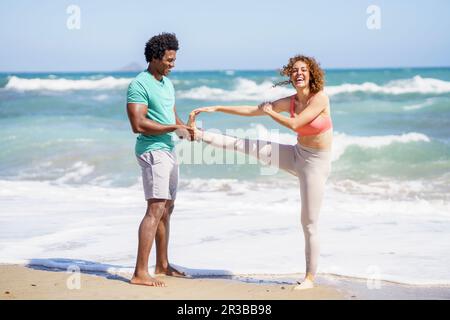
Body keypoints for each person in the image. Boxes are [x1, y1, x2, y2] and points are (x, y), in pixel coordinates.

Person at [189, 55, 333, 290]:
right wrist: (217, 107)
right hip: (297, 154)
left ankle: (309, 278)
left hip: (316, 165)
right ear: (290, 76)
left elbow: (296, 125)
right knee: (247, 145)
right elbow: (252, 110)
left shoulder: (320, 98)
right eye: (295, 70)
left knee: (308, 222)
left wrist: (271, 112)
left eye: (304, 70)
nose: (299, 73)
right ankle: (196, 134)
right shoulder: (291, 101)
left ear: (311, 74)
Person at [126, 32, 194, 287]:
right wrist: (171, 128)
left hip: (168, 148)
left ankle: (162, 265)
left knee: (166, 209)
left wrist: (184, 129)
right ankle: (139, 273)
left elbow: (171, 116)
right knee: (155, 209)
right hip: (151, 149)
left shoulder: (167, 83)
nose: (172, 64)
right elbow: (138, 123)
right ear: (155, 57)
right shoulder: (139, 84)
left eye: (174, 60)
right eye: (168, 59)